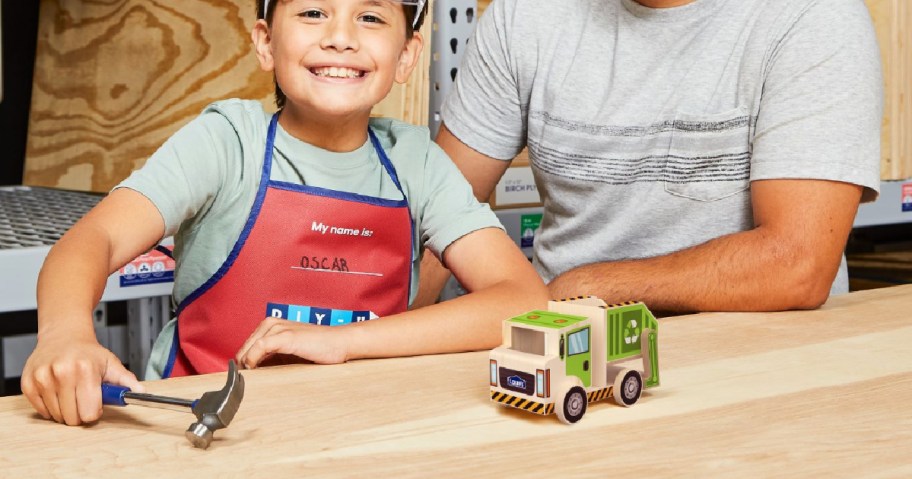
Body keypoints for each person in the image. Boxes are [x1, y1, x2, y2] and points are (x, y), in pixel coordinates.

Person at [21, 0, 548, 426]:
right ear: (265, 42)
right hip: (200, 428)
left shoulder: (417, 162)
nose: (340, 36)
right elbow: (91, 242)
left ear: (408, 55)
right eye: (313, 12)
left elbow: (521, 298)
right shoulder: (228, 142)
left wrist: (342, 343)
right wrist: (65, 335)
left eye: (370, 16)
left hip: (358, 424)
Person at [416, 0, 883, 313]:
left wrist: (582, 289)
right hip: (567, 342)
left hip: (755, 359)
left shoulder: (814, 15)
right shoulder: (525, 15)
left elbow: (797, 265)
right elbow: (438, 217)